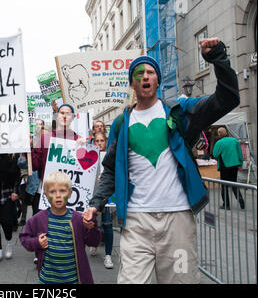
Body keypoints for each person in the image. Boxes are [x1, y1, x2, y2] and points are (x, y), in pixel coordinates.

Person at [84, 37, 240, 284]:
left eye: (150, 72)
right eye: (139, 73)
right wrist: (96, 204)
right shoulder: (122, 123)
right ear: (132, 83)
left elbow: (228, 98)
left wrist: (218, 57)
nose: (145, 76)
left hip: (177, 220)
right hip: (136, 222)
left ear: (157, 79)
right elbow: (112, 170)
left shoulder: (180, 112)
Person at [19, 171, 101, 284]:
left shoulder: (78, 219)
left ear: (70, 193)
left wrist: (92, 227)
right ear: (46, 195)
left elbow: (94, 242)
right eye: (52, 192)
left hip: (73, 280)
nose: (58, 195)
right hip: (47, 279)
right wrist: (36, 242)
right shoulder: (38, 219)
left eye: (62, 191)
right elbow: (24, 238)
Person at [32, 103, 83, 182]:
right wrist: (28, 147)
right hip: (49, 189)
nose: (64, 116)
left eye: (68, 114)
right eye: (62, 113)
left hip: (72, 189)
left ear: (73, 118)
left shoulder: (79, 140)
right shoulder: (45, 138)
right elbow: (35, 166)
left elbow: (84, 168)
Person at [87, 131, 115, 269]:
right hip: (94, 195)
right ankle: (93, 243)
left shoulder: (110, 155)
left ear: (106, 142)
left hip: (107, 197)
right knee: (93, 222)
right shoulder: (90, 156)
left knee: (108, 224)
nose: (99, 143)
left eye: (101, 141)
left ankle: (108, 255)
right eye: (96, 141)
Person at [213, 127, 245, 210]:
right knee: (234, 184)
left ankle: (226, 204)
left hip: (224, 166)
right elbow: (240, 153)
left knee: (224, 186)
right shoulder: (234, 140)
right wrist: (240, 163)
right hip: (235, 165)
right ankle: (241, 201)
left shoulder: (219, 142)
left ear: (220, 134)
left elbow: (215, 154)